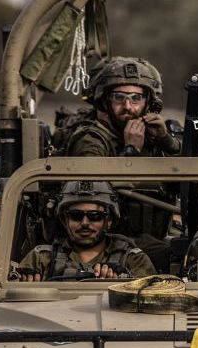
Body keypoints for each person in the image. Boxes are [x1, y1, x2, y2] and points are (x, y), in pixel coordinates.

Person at [61, 57, 183, 272]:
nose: (128, 106)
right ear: (105, 101)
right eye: (119, 98)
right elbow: (90, 192)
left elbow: (189, 178)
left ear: (149, 103)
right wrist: (130, 151)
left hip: (152, 235)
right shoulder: (90, 138)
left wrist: (167, 141)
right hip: (104, 240)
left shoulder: (154, 135)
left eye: (136, 98)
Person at [14, 181, 156, 281]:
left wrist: (121, 283)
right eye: (76, 216)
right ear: (64, 220)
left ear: (109, 220)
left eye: (95, 216)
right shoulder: (41, 259)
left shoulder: (133, 260)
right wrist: (26, 280)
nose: (85, 223)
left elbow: (151, 300)